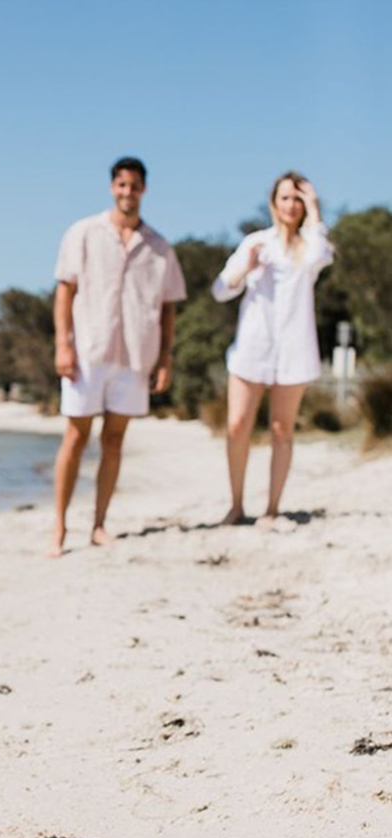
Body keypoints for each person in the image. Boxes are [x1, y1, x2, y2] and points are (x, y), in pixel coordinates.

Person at [50, 156, 186, 555]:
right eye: (122, 185)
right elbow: (65, 292)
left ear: (144, 189)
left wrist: (165, 359)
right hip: (88, 350)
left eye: (135, 186)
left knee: (114, 440)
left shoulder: (160, 248)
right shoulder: (83, 233)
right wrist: (63, 343)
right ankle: (58, 528)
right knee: (75, 437)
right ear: (113, 187)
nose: (128, 192)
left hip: (134, 356)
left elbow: (168, 308)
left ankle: (98, 524)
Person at [212, 171, 334, 525]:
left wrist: (315, 210)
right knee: (237, 426)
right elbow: (221, 290)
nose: (291, 205)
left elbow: (321, 256)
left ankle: (271, 509)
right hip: (252, 348)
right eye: (285, 197)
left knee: (282, 430)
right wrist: (246, 268)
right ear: (273, 203)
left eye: (298, 199)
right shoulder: (256, 243)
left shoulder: (310, 245)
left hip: (294, 350)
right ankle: (236, 505)